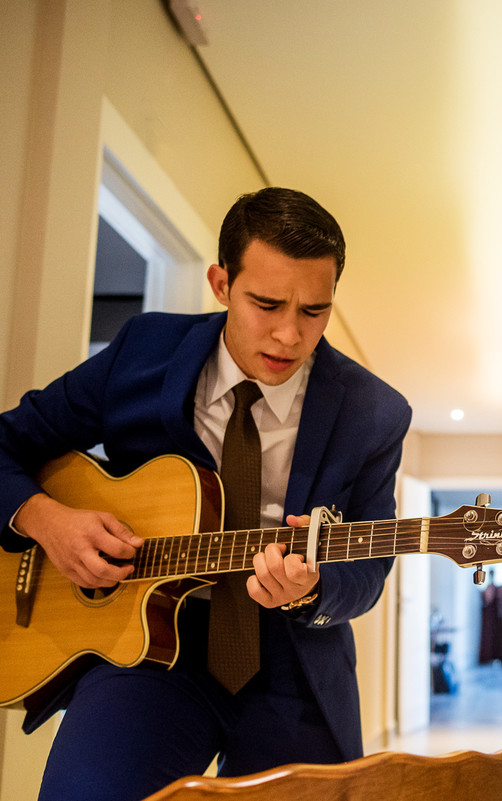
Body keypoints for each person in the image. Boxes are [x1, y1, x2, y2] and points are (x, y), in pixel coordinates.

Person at [0, 187, 412, 801]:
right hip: (145, 652)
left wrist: (316, 587)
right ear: (221, 283)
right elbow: (9, 441)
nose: (289, 336)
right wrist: (43, 519)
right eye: (266, 303)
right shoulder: (142, 352)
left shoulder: (374, 413)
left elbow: (370, 567)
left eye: (314, 311)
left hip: (291, 666)